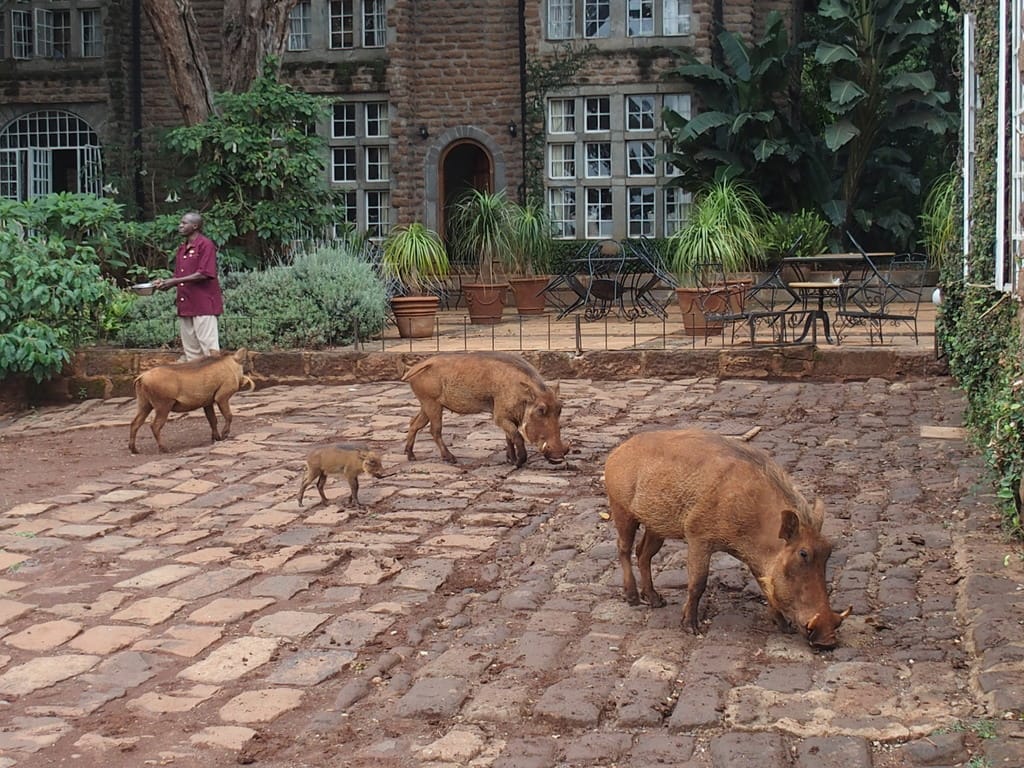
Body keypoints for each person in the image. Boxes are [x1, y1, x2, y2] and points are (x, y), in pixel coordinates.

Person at [153, 212, 224, 361]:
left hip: (203, 305)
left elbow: (204, 273)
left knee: (209, 349)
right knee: (191, 352)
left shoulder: (206, 244)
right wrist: (165, 283)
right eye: (181, 223)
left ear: (195, 226)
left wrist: (173, 282)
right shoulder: (182, 248)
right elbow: (180, 278)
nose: (180, 225)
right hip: (186, 305)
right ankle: (197, 383)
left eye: (184, 223)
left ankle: (216, 381)